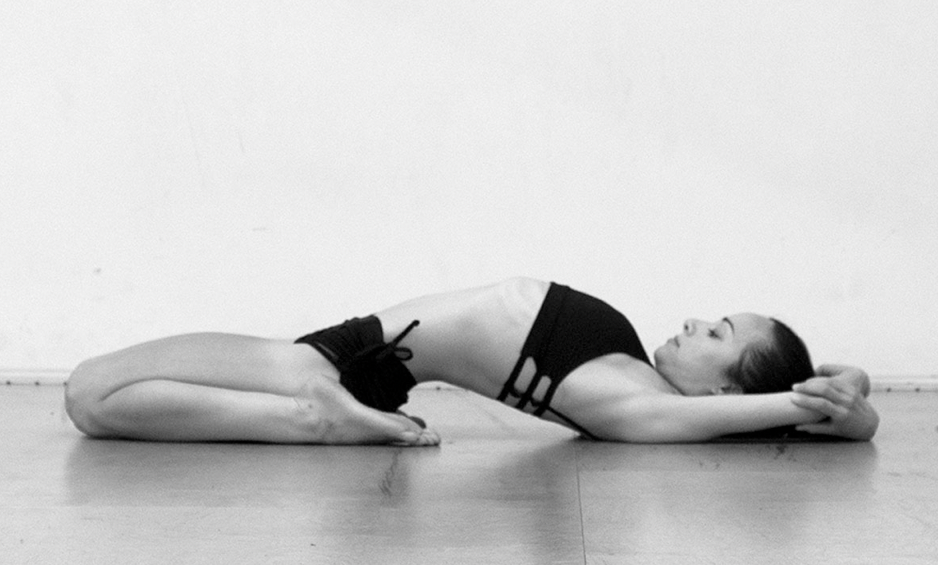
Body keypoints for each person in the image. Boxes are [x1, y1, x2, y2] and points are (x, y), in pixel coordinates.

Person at [64, 277, 879, 446]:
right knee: (98, 400)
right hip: (359, 366)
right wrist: (857, 395)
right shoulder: (630, 369)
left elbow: (790, 405)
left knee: (89, 393)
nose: (697, 320)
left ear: (726, 390)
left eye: (717, 336)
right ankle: (319, 415)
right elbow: (827, 405)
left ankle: (322, 414)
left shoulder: (630, 402)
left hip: (341, 361)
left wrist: (806, 404)